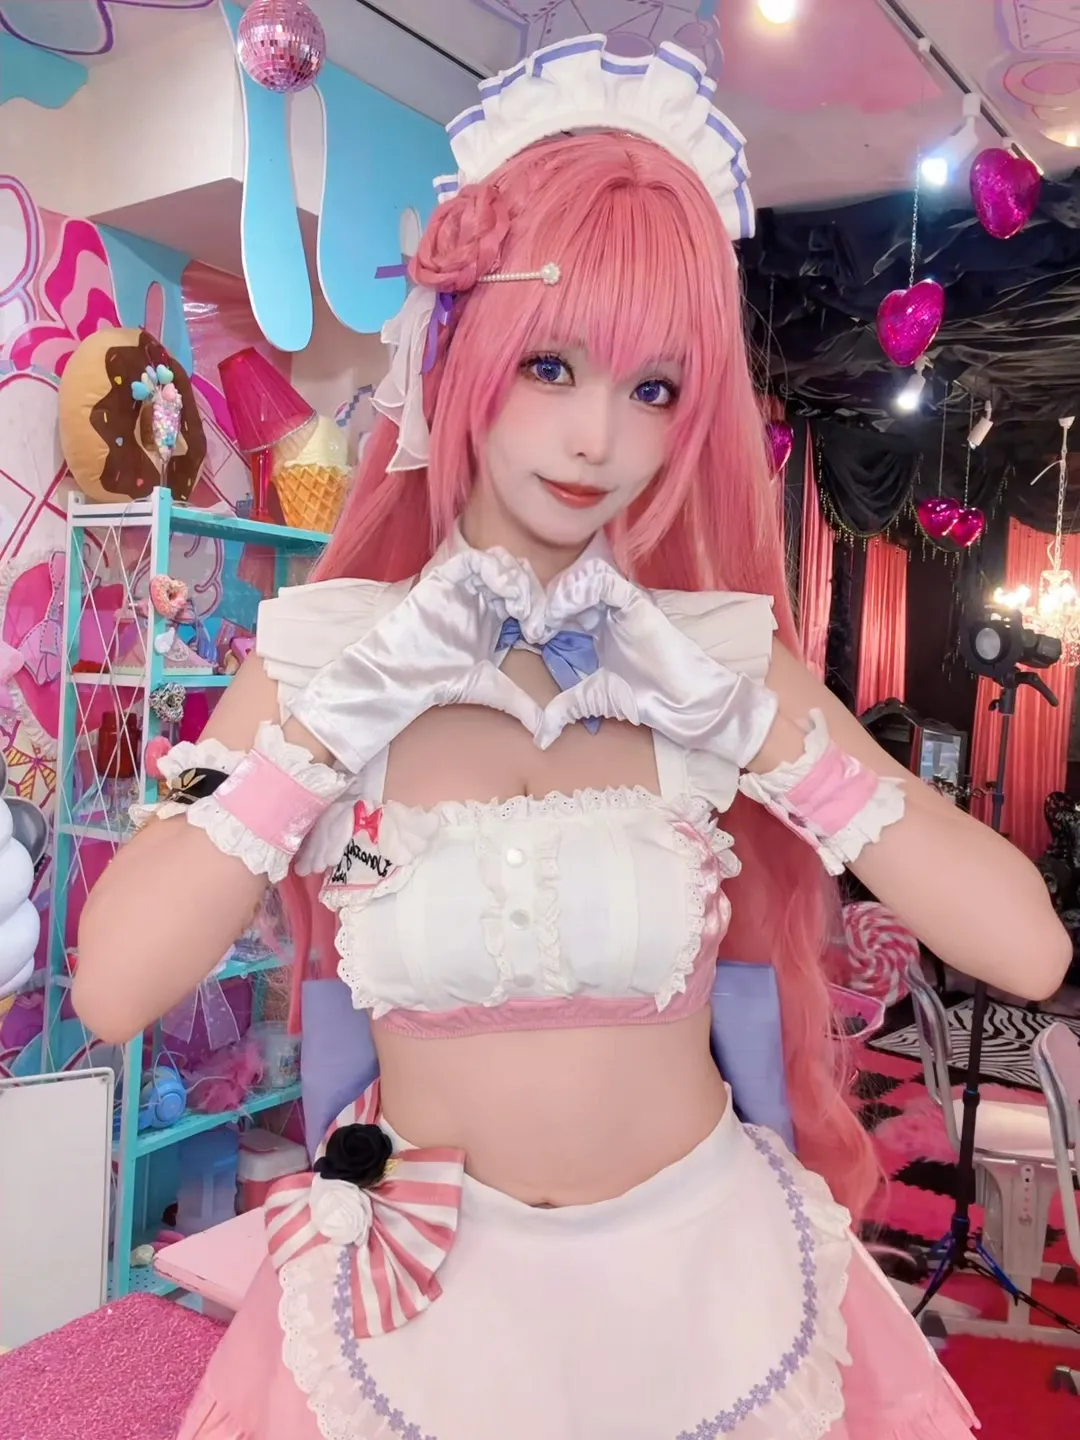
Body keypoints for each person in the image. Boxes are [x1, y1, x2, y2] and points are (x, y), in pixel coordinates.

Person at [75, 36, 1068, 1440]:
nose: (599, 437)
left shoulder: (717, 657)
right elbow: (114, 988)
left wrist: (760, 731)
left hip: (703, 1296)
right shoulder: (324, 652)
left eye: (655, 389)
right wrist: (330, 726)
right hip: (419, 1306)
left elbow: (1028, 950)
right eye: (553, 365)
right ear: (457, 359)